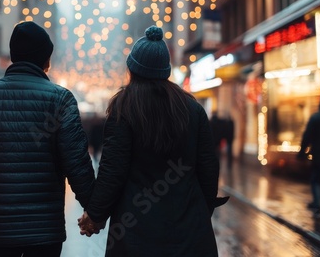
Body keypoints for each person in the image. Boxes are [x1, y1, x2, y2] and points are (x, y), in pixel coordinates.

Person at [78, 25, 227, 256]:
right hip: (188, 228)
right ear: (165, 70)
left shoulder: (124, 108)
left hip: (136, 229)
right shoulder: (191, 108)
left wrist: (95, 215)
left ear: (133, 69)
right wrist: (200, 211)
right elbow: (208, 167)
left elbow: (112, 171)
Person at [0, 21, 95, 257]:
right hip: (43, 229)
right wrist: (93, 208)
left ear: (13, 55)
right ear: (46, 60)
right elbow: (76, 161)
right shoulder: (60, 99)